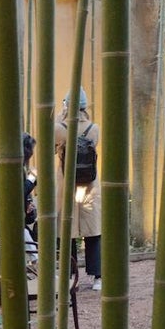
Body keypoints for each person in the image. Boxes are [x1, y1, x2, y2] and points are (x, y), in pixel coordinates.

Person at [56, 88, 102, 291]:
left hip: (67, 185)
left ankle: (69, 276)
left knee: (66, 231)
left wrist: (60, 116)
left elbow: (52, 145)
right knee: (93, 231)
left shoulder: (60, 128)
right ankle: (98, 277)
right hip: (90, 184)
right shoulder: (94, 128)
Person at [0, 132, 37, 300]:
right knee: (4, 253)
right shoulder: (4, 164)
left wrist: (29, 209)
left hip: (4, 218)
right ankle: (6, 292)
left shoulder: (4, 162)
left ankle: (11, 291)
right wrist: (31, 181)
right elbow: (12, 194)